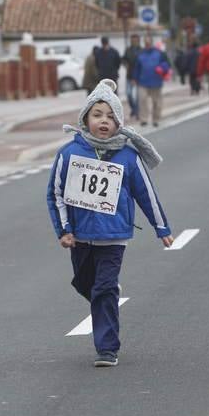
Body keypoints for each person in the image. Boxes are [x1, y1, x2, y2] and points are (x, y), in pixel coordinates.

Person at [46, 79, 174, 367]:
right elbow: (55, 194)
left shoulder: (128, 156)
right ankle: (105, 303)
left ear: (119, 122)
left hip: (113, 236)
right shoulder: (69, 154)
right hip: (79, 237)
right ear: (85, 119)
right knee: (85, 284)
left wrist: (161, 227)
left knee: (104, 289)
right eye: (97, 115)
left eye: (111, 117)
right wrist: (64, 230)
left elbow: (146, 193)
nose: (104, 121)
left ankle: (107, 348)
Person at [133, 36, 169, 127]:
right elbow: (137, 67)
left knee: (157, 102)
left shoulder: (159, 53)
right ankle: (144, 119)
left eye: (149, 43)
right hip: (143, 82)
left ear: (151, 43)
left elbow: (167, 64)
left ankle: (156, 119)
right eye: (146, 43)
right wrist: (134, 78)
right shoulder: (140, 54)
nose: (147, 45)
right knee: (142, 101)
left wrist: (162, 68)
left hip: (156, 81)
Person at [122, 34, 142, 120]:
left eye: (135, 40)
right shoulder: (128, 50)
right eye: (132, 40)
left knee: (137, 96)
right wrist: (125, 64)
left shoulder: (142, 50)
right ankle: (134, 109)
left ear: (138, 40)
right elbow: (123, 59)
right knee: (129, 94)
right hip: (129, 76)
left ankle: (137, 112)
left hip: (139, 76)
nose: (133, 41)